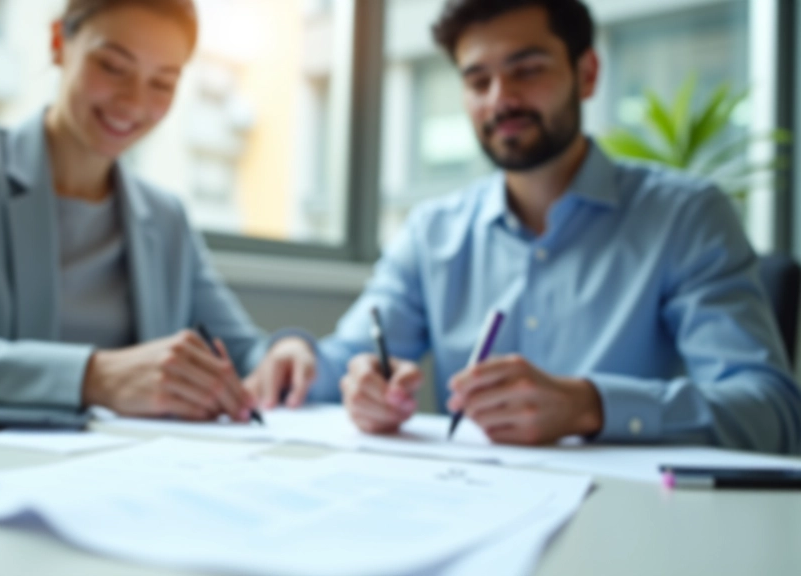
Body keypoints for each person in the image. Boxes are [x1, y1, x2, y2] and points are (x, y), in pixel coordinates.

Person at [250, 0, 801, 454]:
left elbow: (770, 410)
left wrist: (591, 406)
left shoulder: (685, 217)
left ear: (587, 74)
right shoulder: (431, 233)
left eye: (527, 69)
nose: (501, 100)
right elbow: (345, 360)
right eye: (477, 80)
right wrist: (316, 364)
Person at [0, 0, 315, 422]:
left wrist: (282, 352)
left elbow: (244, 351)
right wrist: (92, 376)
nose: (133, 102)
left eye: (162, 84)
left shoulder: (166, 217)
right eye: (112, 67)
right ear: (59, 42)